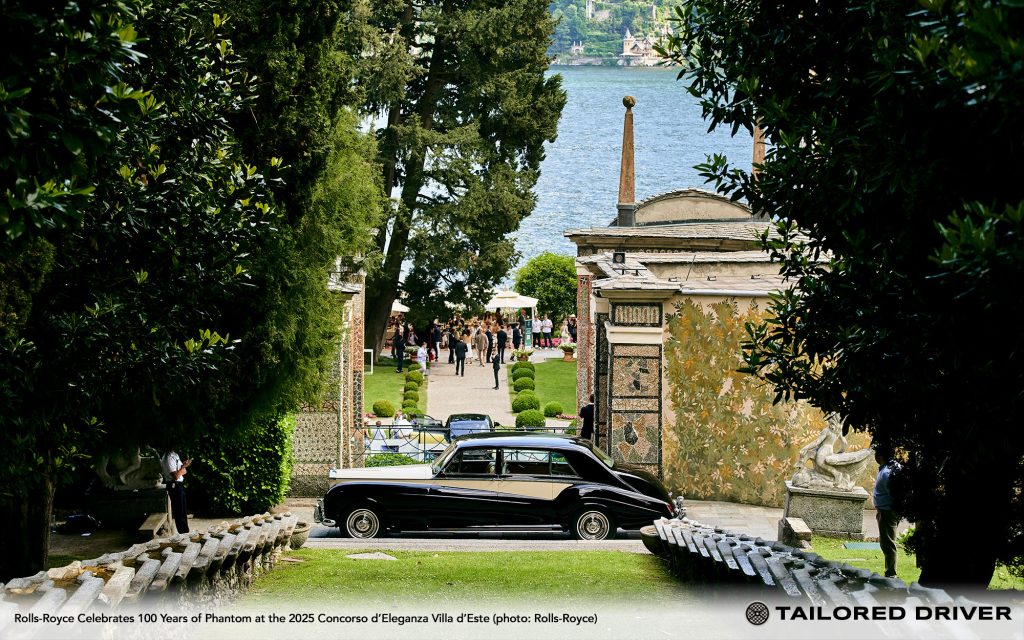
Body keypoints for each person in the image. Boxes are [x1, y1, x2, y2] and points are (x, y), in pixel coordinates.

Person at [873, 447, 900, 578]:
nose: (875, 457)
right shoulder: (890, 468)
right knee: (887, 542)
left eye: (876, 454)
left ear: (880, 456)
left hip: (887, 511)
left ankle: (891, 574)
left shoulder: (887, 472)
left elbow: (896, 494)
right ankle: (890, 572)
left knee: (888, 543)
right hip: (886, 510)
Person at [160, 449, 191, 534]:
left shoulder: (175, 454)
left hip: (179, 485)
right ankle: (183, 534)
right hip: (174, 485)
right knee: (179, 512)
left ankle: (185, 533)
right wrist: (183, 467)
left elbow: (184, 472)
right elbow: (176, 476)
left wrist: (182, 469)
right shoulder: (168, 457)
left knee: (183, 511)